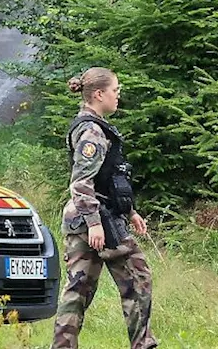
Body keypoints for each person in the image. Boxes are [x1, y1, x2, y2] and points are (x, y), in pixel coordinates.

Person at [51, 68, 157, 349]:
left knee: (78, 291)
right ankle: (143, 344)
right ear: (99, 94)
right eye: (115, 91)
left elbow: (109, 178)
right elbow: (81, 181)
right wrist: (95, 222)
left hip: (92, 218)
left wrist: (131, 211)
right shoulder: (92, 131)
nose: (118, 96)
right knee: (138, 278)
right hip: (98, 222)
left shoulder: (94, 126)